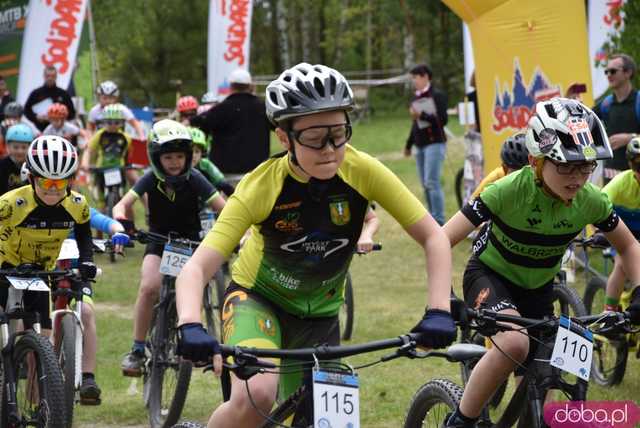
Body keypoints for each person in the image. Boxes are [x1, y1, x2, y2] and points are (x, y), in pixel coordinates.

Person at [174, 62, 456, 428]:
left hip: (321, 314)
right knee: (256, 396)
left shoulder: (363, 170)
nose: (329, 148)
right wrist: (190, 324)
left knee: (326, 421)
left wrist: (438, 309)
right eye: (314, 136)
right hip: (258, 300)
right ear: (284, 137)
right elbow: (196, 268)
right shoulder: (261, 186)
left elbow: (434, 236)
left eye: (339, 133)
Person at [441, 98, 640, 427]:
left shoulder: (591, 201)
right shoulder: (507, 190)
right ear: (535, 160)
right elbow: (442, 238)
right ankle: (461, 418)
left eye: (585, 167)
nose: (577, 178)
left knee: (545, 382)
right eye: (565, 166)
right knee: (516, 343)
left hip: (538, 289)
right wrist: (442, 299)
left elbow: (630, 246)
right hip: (491, 276)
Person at [113, 119, 226, 376]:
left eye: (179, 156)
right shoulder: (150, 179)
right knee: (149, 287)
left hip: (190, 244)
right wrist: (121, 223)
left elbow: (225, 208)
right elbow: (122, 205)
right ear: (156, 158)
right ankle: (138, 349)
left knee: (192, 289)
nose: (174, 162)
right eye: (168, 157)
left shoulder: (196, 178)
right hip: (157, 240)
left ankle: (193, 339)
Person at [190, 68, 271, 184]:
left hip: (225, 174)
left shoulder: (220, 110)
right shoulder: (264, 109)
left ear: (231, 87)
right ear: (250, 86)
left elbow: (196, 123)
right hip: (257, 173)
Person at [404, 63, 449, 225]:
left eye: (415, 77)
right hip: (420, 145)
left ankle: (439, 220)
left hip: (435, 143)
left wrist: (421, 114)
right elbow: (415, 124)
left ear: (424, 76)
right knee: (425, 184)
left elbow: (443, 120)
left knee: (432, 182)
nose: (414, 81)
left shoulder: (438, 95)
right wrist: (409, 144)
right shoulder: (415, 97)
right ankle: (432, 218)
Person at [601, 137, 640, 312]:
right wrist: (597, 232)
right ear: (631, 167)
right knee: (622, 264)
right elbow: (597, 207)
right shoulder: (620, 183)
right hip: (620, 233)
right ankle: (609, 312)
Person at [593, 53, 640, 183]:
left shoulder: (638, 101)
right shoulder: (606, 103)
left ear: (628, 73)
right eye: (606, 71)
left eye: (613, 71)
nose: (608, 75)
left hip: (635, 180)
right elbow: (582, 120)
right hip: (611, 178)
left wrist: (630, 138)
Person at [81, 103, 134, 215]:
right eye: (109, 122)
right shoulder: (99, 135)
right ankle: (98, 232)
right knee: (100, 205)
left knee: (125, 200)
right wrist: (85, 162)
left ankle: (129, 229)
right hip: (102, 169)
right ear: (103, 122)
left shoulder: (126, 138)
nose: (113, 125)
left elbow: (129, 154)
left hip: (119, 169)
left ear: (121, 123)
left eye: (116, 122)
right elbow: (89, 150)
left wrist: (131, 165)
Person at [469, 132, 528, 200]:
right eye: (515, 173)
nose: (521, 178)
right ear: (504, 168)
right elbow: (472, 204)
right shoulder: (494, 179)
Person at [24, 65, 76, 132]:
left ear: (56, 77)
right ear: (44, 76)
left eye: (52, 76)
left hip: (60, 131)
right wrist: (36, 117)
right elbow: (26, 110)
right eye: (48, 76)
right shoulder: (36, 93)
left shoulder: (63, 94)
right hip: (40, 129)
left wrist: (59, 117)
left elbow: (72, 113)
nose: (50, 78)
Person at [188, 126, 235, 197]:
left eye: (197, 151)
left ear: (202, 153)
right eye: (189, 152)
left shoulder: (206, 165)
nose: (193, 155)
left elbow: (224, 184)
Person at [0, 124, 34, 195]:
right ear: (8, 147)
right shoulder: (2, 165)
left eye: (24, 147)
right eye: (15, 147)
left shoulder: (33, 165)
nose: (20, 151)